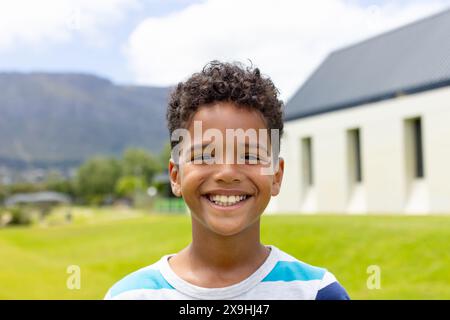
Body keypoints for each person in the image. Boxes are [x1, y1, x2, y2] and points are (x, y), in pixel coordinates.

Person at [104, 61, 350, 300]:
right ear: (176, 176)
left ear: (276, 175)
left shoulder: (317, 292)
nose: (227, 172)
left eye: (250, 156)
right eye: (203, 156)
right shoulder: (130, 296)